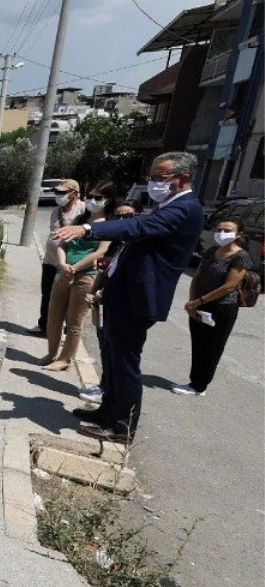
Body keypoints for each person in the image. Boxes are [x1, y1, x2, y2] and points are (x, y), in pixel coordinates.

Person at [53, 152, 204, 444]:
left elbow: (135, 228)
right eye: (151, 177)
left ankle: (122, 427)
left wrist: (87, 228)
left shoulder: (185, 209)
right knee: (111, 358)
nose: (152, 183)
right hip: (122, 292)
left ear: (183, 179)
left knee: (125, 363)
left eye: (159, 178)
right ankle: (107, 411)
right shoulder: (166, 205)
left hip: (139, 299)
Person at [171, 219, 251, 396]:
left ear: (238, 235)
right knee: (198, 344)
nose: (222, 233)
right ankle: (194, 382)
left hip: (222, 308)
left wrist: (198, 301)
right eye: (219, 229)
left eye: (227, 230)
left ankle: (200, 386)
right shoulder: (211, 251)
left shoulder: (241, 256)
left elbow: (229, 286)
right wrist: (192, 302)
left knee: (212, 348)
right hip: (199, 304)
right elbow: (197, 277)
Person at [41, 183, 116, 371]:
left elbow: (101, 252)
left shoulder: (108, 225)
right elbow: (62, 244)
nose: (92, 201)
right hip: (64, 272)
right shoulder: (80, 219)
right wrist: (62, 264)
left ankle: (65, 359)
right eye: (90, 196)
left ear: (108, 201)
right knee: (54, 315)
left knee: (74, 320)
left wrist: (73, 268)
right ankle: (51, 353)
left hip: (85, 276)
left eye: (98, 198)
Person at [78, 200, 141, 404]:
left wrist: (102, 293)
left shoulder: (137, 246)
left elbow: (129, 279)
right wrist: (95, 291)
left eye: (128, 217)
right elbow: (106, 272)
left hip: (118, 305)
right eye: (118, 217)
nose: (122, 221)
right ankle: (105, 387)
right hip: (103, 302)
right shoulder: (116, 243)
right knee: (105, 347)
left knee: (116, 354)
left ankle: (110, 394)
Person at [29, 180, 84, 337]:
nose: (58, 196)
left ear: (73, 193)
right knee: (47, 294)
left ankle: (67, 331)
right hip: (50, 260)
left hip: (69, 263)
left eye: (62, 192)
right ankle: (44, 326)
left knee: (68, 297)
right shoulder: (56, 211)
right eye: (58, 192)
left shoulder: (82, 210)